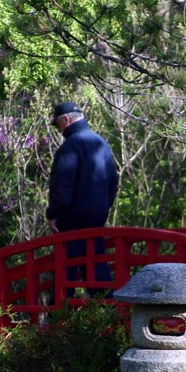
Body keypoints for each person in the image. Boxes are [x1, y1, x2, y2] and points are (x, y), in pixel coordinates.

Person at [46, 101, 119, 297]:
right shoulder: (100, 143)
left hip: (71, 221)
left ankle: (59, 319)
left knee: (65, 270)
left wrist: (53, 214)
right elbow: (113, 181)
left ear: (66, 120)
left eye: (58, 124)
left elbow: (62, 186)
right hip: (96, 218)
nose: (59, 130)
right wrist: (104, 206)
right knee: (95, 267)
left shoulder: (70, 147)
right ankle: (108, 314)